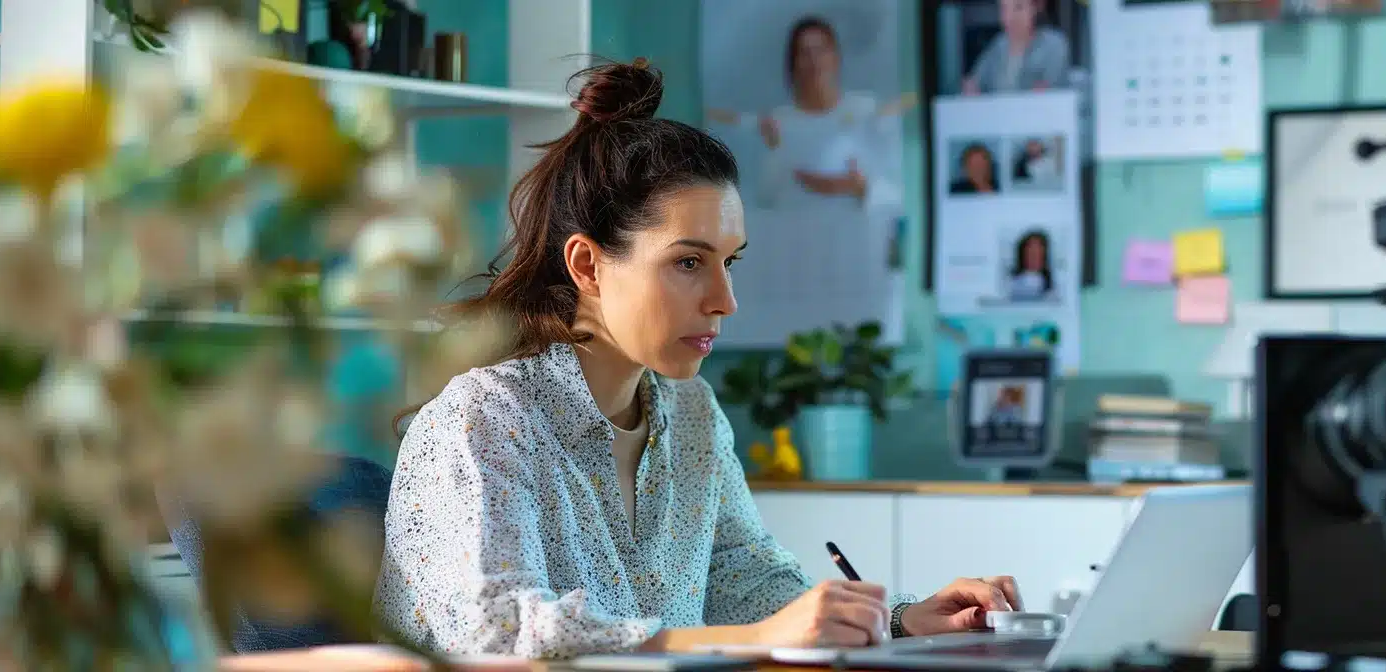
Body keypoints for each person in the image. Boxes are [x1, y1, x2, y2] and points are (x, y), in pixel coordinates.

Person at [374, 59, 1023, 659]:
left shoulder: (691, 413)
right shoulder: (482, 417)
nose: (724, 301)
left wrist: (903, 619)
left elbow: (742, 576)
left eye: (728, 263)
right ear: (587, 265)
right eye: (688, 263)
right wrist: (752, 640)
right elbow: (498, 629)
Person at [705, 16, 908, 217]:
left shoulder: (867, 113)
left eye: (821, 50)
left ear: (836, 58)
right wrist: (774, 151)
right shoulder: (777, 123)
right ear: (793, 66)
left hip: (856, 238)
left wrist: (859, 188)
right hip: (797, 237)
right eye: (804, 53)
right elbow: (765, 200)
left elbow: (899, 199)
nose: (814, 61)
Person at [960, 0, 1073, 96]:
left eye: (1018, 7)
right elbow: (975, 83)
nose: (1008, 17)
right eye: (1004, 8)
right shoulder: (998, 44)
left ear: (1036, 7)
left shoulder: (1053, 45)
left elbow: (1048, 95)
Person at [1006, 230, 1054, 301]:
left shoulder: (1051, 283)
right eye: (1031, 252)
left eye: (1038, 252)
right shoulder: (1011, 282)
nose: (1035, 255)